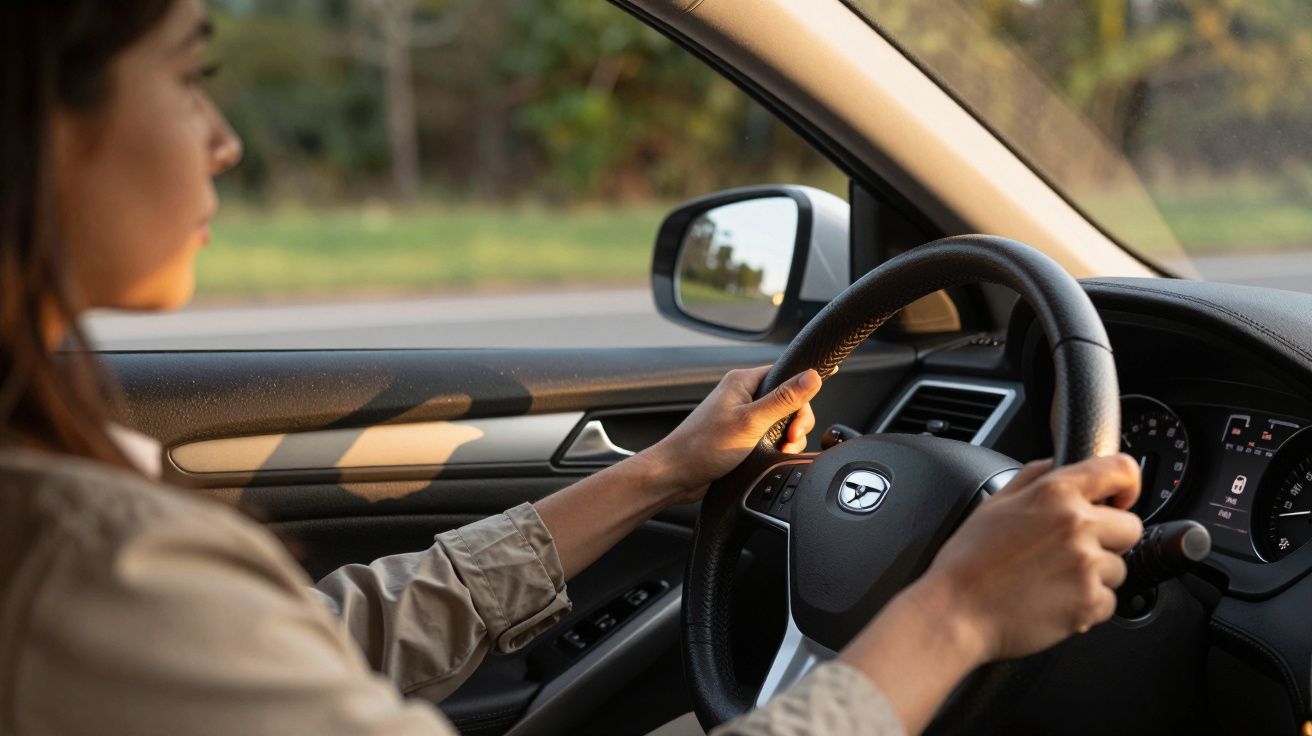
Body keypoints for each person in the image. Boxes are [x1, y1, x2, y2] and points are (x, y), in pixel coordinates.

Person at [0, 1, 1145, 734]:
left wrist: (659, 473)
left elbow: (330, 635)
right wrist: (951, 614)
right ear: (39, 124)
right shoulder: (79, 561)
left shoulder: (69, 530)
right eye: (187, 75)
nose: (223, 138)